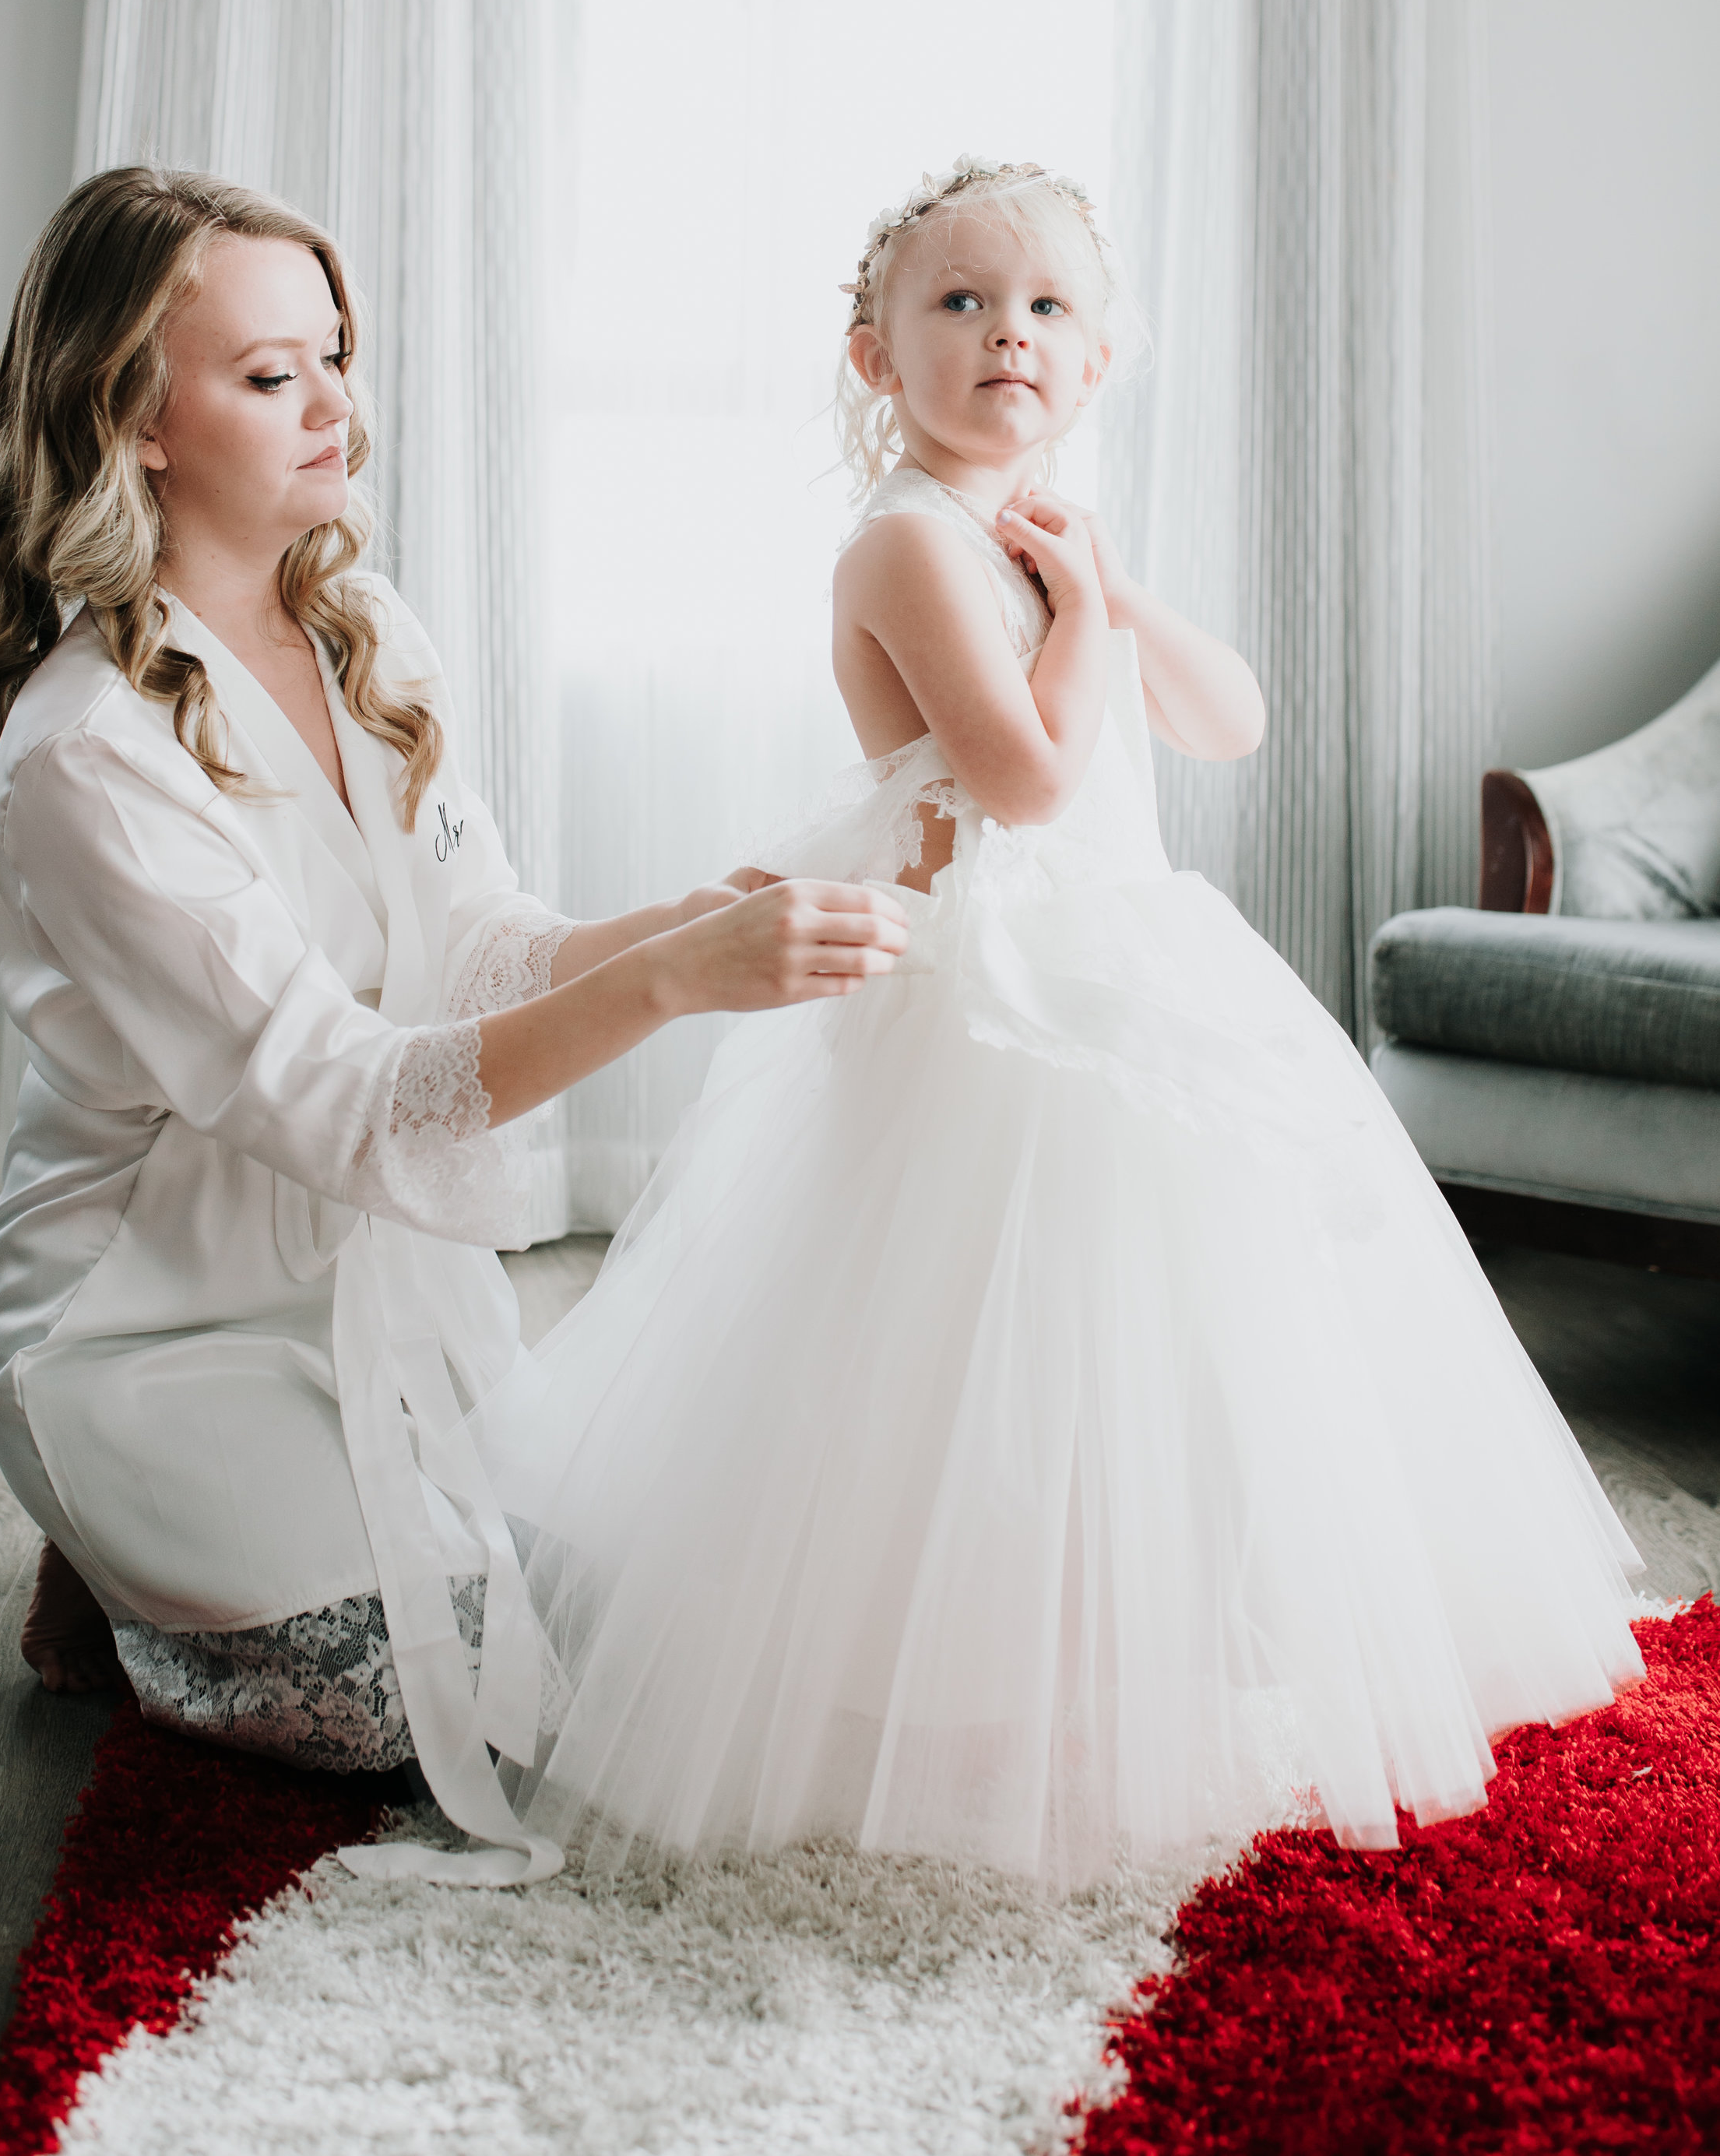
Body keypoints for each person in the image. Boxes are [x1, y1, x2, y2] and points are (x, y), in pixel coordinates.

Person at [473, 157, 1644, 1894]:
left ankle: (1116, 1649)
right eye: (957, 302)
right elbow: (1024, 779)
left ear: (1094, 362)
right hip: (985, 988)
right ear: (876, 356)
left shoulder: (1042, 534)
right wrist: (1082, 612)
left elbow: (1227, 720)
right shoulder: (902, 538)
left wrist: (1106, 582)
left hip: (1119, 959)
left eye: (1044, 308)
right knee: (961, 1347)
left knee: (1156, 1329)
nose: (1004, 333)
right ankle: (935, 1686)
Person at [0, 165, 905, 1887]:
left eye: (337, 356)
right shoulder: (87, 755)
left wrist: (676, 924)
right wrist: (675, 981)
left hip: (371, 1289)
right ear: (135, 419)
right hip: (153, 1325)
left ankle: (178, 1570)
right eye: (271, 374)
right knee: (409, 1705)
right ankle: (118, 1558)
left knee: (603, 1632)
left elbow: (476, 946)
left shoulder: (362, 629)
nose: (337, 407)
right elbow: (350, 1100)